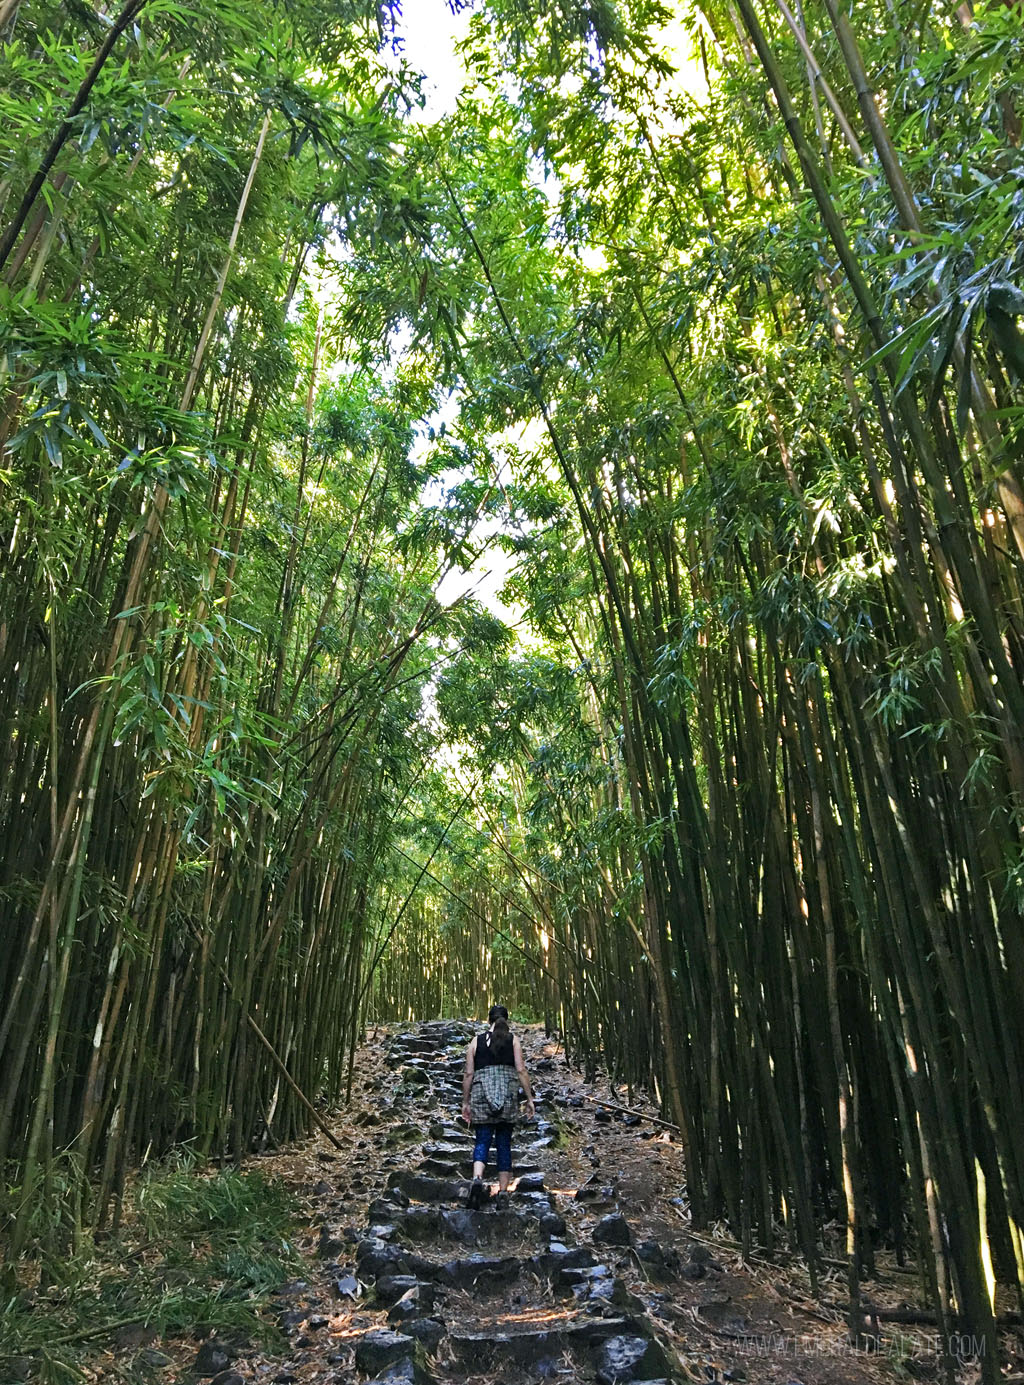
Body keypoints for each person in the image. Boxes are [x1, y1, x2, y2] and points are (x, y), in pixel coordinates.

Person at [461, 1004, 535, 1210]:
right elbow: (521, 1070)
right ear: (506, 1020)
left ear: (489, 1021)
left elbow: (468, 1074)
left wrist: (465, 1102)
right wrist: (529, 1098)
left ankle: (477, 1179)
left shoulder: (476, 1041)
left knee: (482, 1140)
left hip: (481, 1094)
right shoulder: (513, 1041)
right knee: (504, 1144)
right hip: (508, 1097)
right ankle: (503, 1193)